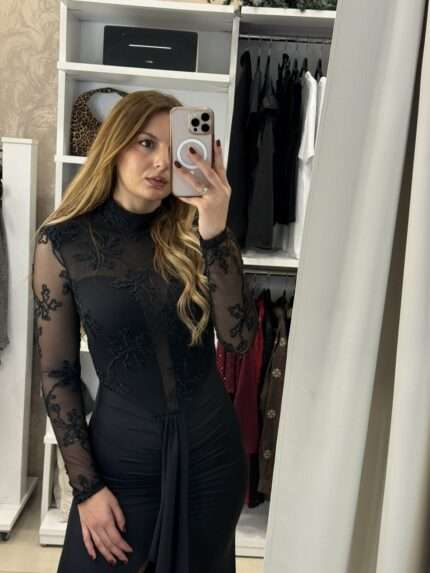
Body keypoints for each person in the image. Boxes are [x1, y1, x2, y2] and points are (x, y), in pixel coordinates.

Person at [31, 90, 259, 572]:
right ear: (114, 146)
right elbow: (57, 375)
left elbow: (238, 338)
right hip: (123, 463)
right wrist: (87, 489)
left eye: (172, 148)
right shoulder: (63, 241)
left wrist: (215, 229)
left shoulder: (197, 231)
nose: (159, 162)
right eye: (145, 143)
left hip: (211, 458)